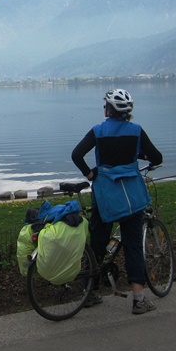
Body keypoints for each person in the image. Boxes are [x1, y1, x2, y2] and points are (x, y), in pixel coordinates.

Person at [71, 88, 163, 315]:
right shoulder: (136, 131)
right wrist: (140, 157)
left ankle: (89, 292)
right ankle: (139, 299)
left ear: (108, 110)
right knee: (133, 245)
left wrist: (90, 174)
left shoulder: (98, 131)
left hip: (104, 195)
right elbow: (157, 157)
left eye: (105, 105)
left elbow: (77, 154)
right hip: (131, 197)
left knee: (97, 242)